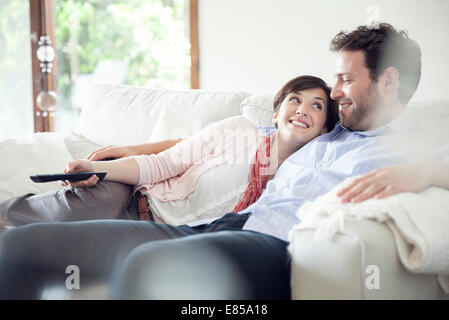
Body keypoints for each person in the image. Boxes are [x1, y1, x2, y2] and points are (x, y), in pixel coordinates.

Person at [0, 22, 438, 300]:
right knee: (21, 246)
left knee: (148, 268)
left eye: (345, 78)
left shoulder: (406, 147)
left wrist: (424, 171)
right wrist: (128, 153)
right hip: (222, 225)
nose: (335, 91)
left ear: (388, 80)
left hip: (279, 248)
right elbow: (205, 142)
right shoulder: (326, 128)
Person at [0, 75, 338, 228]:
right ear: (276, 112)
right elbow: (163, 163)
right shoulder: (240, 130)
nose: (302, 109)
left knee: (91, 236)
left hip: (162, 232)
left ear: (324, 128)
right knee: (97, 203)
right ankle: (7, 212)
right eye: (295, 99)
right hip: (139, 196)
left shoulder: (302, 176)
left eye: (317, 105)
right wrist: (98, 169)